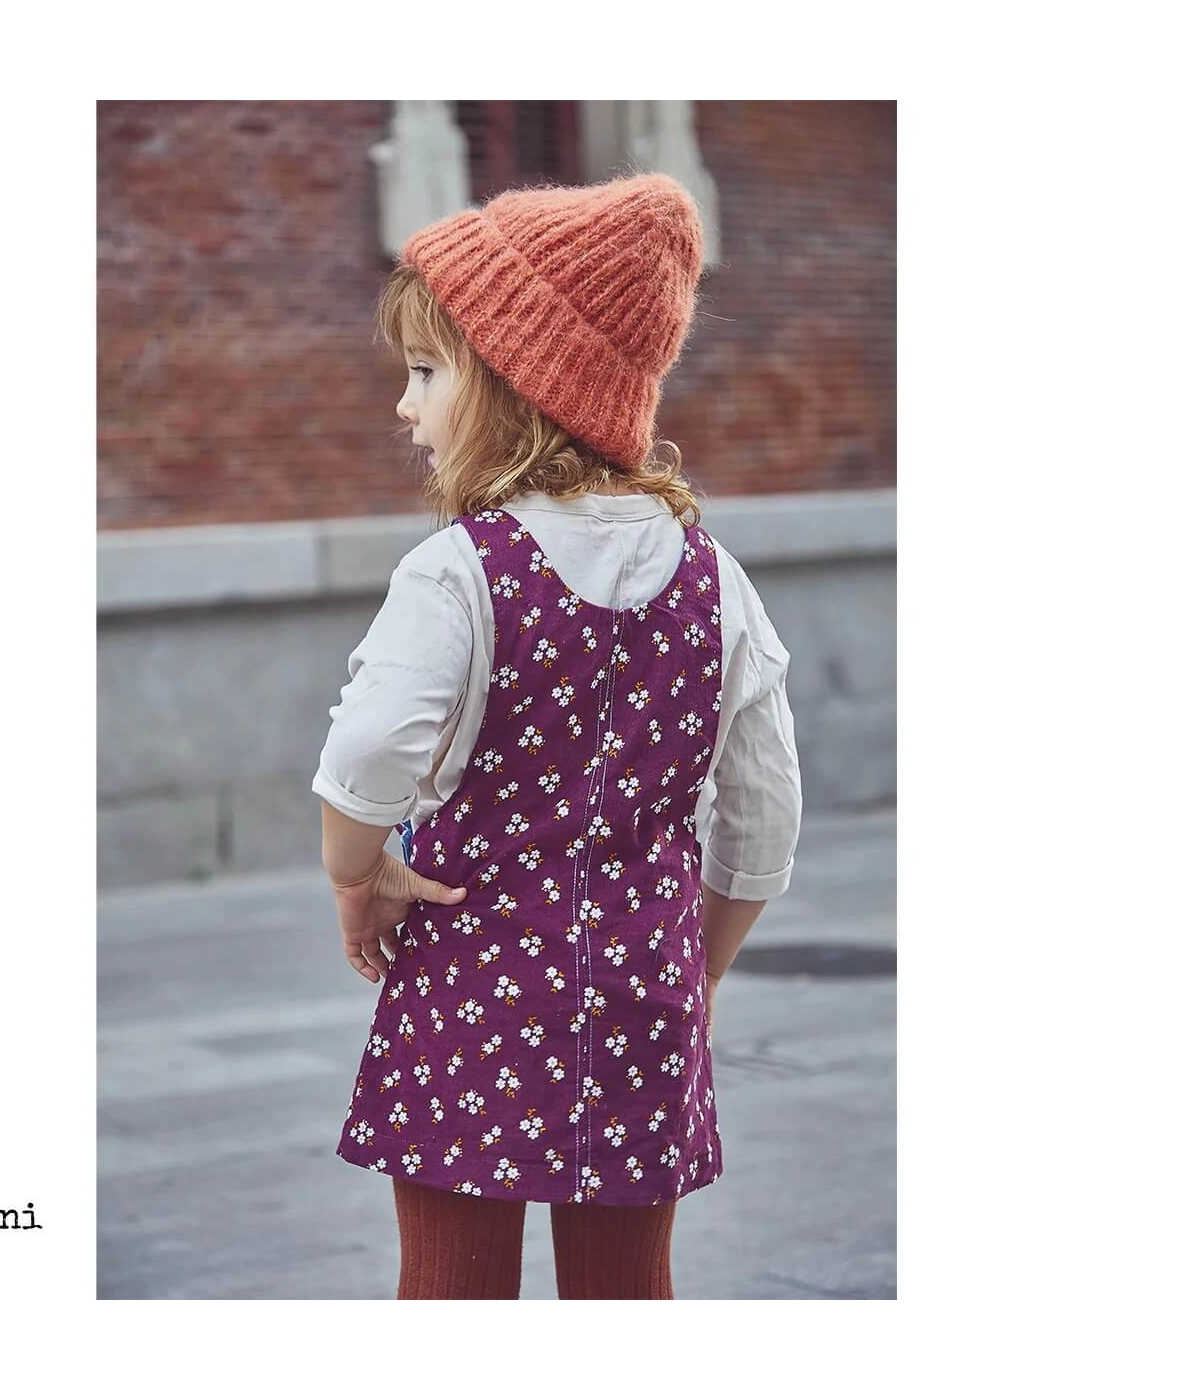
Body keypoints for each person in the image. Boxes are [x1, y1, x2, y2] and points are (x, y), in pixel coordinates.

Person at [313, 171, 802, 1303]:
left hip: (471, 990)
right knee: (628, 1296)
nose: (404, 406)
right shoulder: (716, 580)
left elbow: (366, 757)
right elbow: (764, 819)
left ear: (518, 385)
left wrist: (356, 873)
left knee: (451, 1293)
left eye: (427, 371)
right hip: (644, 992)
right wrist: (698, 967)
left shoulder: (456, 573)